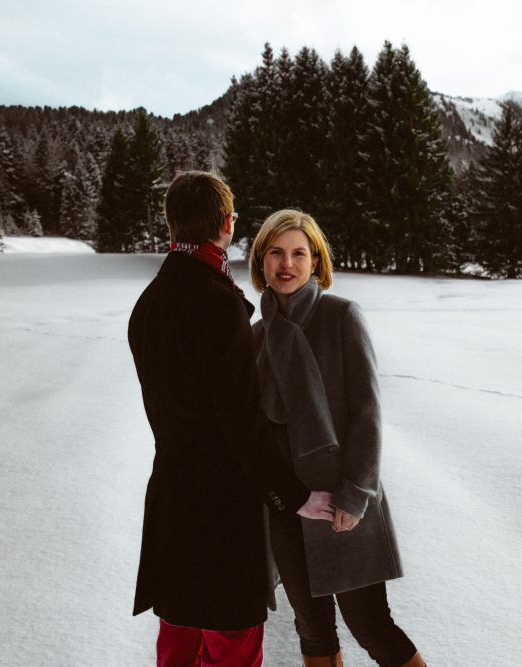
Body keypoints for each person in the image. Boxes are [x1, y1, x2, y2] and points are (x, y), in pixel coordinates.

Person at [127, 174, 334, 667]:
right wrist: (294, 496)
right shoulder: (217, 304)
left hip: (172, 502)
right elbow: (241, 424)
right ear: (226, 224)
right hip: (221, 513)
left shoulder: (149, 303)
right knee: (232, 648)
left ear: (173, 223)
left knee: (176, 644)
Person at [250, 209, 426, 667]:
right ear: (261, 261)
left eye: (298, 253)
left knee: (371, 626)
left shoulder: (341, 317)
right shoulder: (255, 338)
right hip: (287, 508)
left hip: (339, 502)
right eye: (276, 252)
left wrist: (355, 494)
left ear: (315, 263)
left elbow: (367, 412)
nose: (286, 264)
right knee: (311, 628)